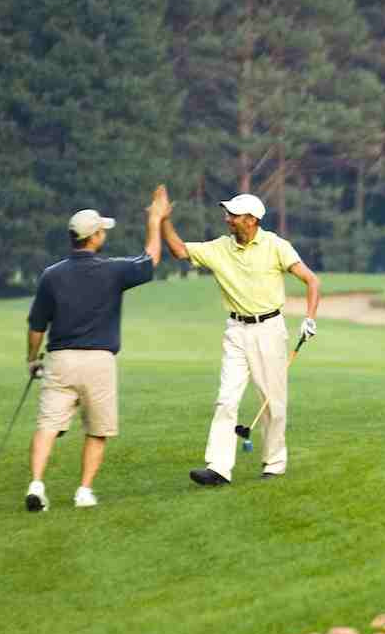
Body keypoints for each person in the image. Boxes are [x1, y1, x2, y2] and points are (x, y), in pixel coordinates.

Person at [156, 186, 320, 484]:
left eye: (234, 215)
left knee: (272, 402)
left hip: (269, 329)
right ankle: (218, 468)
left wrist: (309, 318)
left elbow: (311, 280)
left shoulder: (275, 245)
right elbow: (179, 251)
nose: (228, 219)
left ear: (252, 220)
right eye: (228, 214)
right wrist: (164, 220)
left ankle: (274, 463)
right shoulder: (220, 247)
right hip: (235, 330)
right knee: (226, 399)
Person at [21, 190, 165, 510]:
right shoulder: (114, 270)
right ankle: (84, 491)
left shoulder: (51, 275)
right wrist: (154, 221)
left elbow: (36, 327)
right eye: (102, 230)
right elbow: (151, 259)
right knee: (97, 430)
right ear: (94, 237)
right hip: (99, 361)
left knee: (47, 425)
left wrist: (33, 360)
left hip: (60, 360)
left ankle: (36, 483)